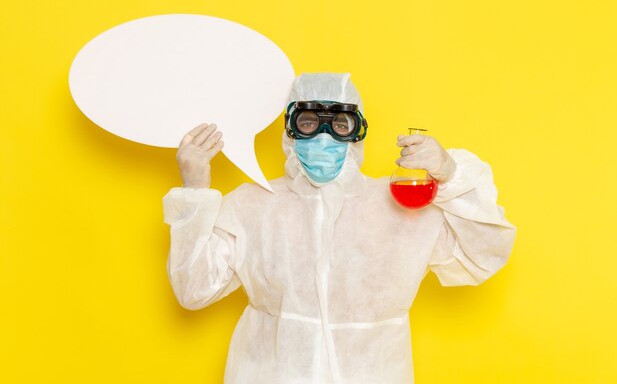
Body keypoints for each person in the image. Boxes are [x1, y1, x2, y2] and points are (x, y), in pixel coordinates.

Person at [163, 73, 516, 384]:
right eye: (309, 122)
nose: (324, 135)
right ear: (290, 129)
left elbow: (484, 254)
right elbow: (194, 290)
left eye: (340, 124)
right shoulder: (253, 205)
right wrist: (195, 188)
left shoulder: (403, 206)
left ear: (358, 131)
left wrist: (451, 174)